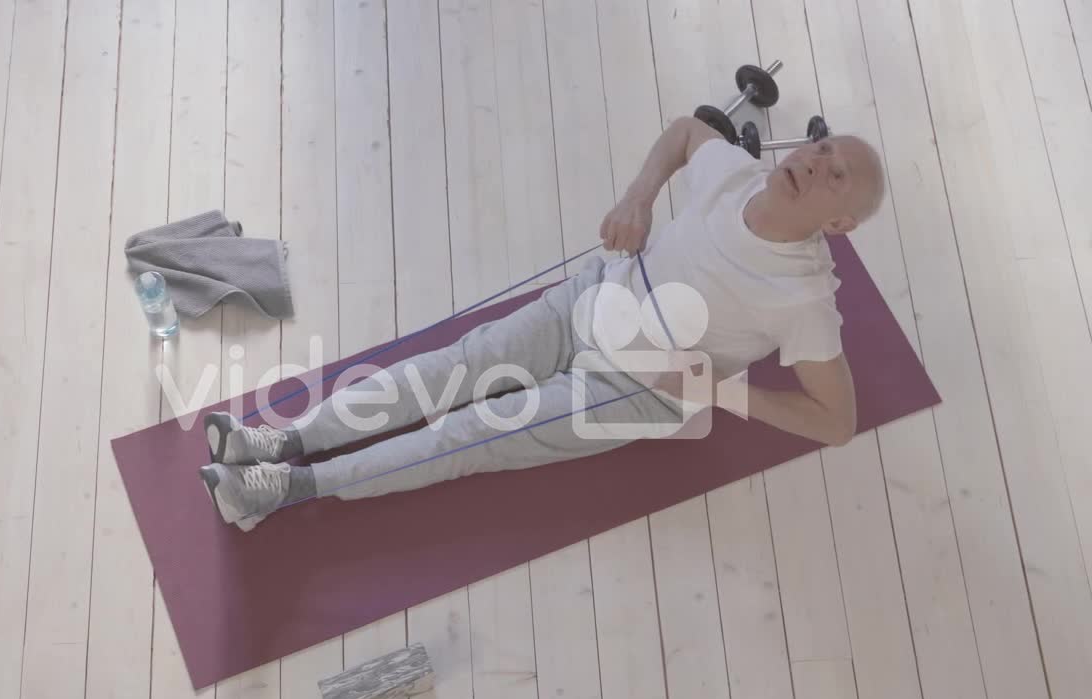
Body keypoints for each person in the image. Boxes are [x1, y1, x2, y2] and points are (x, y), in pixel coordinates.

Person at [199, 117, 887, 531]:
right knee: (453, 367)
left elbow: (836, 422)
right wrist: (637, 199)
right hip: (593, 296)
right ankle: (282, 442)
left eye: (836, 176)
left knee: (470, 433)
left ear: (838, 223)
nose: (813, 161)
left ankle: (278, 493)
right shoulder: (735, 174)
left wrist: (724, 392)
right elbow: (685, 129)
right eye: (822, 150)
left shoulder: (804, 300)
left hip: (638, 387)